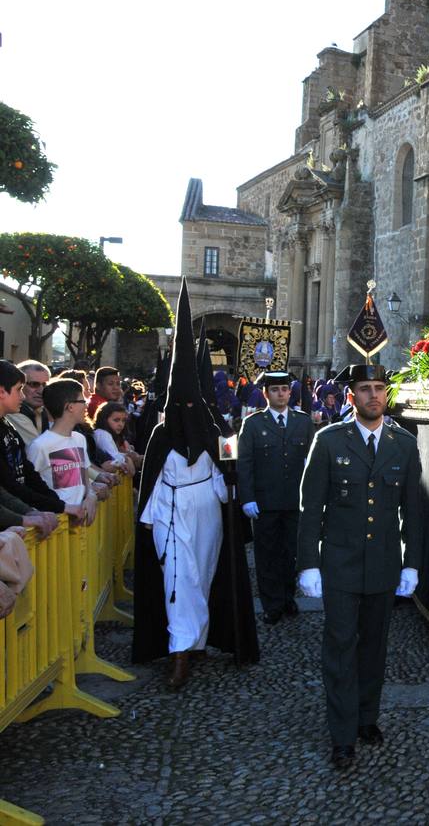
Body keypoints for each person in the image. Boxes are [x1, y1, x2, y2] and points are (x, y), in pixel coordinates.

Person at [132, 279, 259, 688]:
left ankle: (197, 640)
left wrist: (235, 498)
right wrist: (148, 516)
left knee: (202, 576)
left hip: (208, 515)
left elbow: (230, 472)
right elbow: (151, 480)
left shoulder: (218, 430)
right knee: (177, 580)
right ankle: (179, 652)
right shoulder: (161, 436)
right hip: (170, 517)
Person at [297, 363, 423, 770]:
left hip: (384, 564)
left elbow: (414, 510)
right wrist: (309, 564)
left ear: (387, 395)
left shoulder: (403, 444)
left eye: (379, 389)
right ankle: (342, 734)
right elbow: (311, 506)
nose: (373, 396)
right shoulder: (330, 441)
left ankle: (368, 717)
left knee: (374, 647)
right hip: (340, 564)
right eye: (365, 389)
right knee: (340, 648)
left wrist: (412, 563)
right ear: (351, 397)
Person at [238, 371, 316, 625]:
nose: (280, 394)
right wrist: (247, 498)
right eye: (275, 390)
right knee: (267, 554)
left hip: (295, 500)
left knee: (291, 552)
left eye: (284, 389)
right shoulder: (253, 424)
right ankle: (272, 603)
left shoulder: (303, 422)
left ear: (290, 393)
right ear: (266, 393)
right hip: (265, 501)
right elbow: (245, 464)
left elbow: (313, 463)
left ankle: (287, 597)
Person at [0, 361, 81, 528]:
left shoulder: (8, 426)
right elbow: (8, 485)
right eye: (19, 389)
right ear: (2, 391)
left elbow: (29, 473)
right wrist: (26, 516)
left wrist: (59, 505)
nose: (22, 396)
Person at [26, 378, 101, 524]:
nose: (86, 405)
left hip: (80, 527)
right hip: (57, 530)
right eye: (82, 400)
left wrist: (90, 495)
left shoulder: (80, 439)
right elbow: (31, 487)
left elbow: (84, 476)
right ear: (70, 407)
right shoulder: (40, 446)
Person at [6, 360, 51, 445]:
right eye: (34, 384)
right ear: (19, 385)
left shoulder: (47, 410)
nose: (41, 391)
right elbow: (38, 450)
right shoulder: (11, 412)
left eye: (45, 385)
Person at [92, 401, 143, 473]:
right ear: (104, 419)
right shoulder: (102, 434)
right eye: (116, 420)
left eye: (123, 421)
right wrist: (128, 457)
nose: (121, 424)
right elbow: (115, 457)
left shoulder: (116, 436)